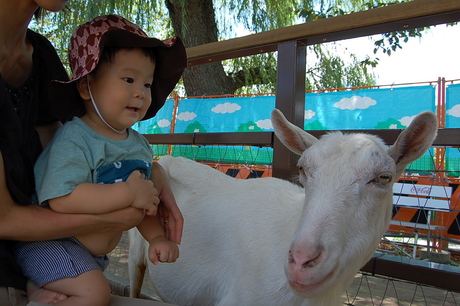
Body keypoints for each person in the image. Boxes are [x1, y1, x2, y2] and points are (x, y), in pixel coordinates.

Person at [0, 2, 184, 305]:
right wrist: (127, 193)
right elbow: (61, 197)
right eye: (128, 80)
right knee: (95, 294)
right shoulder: (75, 138)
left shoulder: (138, 144)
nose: (140, 92)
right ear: (86, 87)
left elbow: (144, 202)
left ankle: (37, 288)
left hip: (86, 253)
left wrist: (157, 237)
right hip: (51, 243)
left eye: (147, 83)